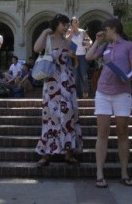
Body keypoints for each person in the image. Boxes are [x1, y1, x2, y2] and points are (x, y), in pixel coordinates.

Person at [85, 17, 132, 188]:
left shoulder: (129, 45)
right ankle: (100, 174)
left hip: (122, 92)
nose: (104, 32)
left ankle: (124, 173)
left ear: (113, 29)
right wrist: (98, 40)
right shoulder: (105, 46)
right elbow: (89, 56)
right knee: (103, 132)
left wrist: (128, 76)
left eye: (105, 30)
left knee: (122, 131)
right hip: (103, 92)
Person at [34, 13, 83, 167]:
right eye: (64, 24)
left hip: (66, 82)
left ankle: (69, 153)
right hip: (52, 83)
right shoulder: (48, 39)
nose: (66, 27)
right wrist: (44, 32)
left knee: (68, 116)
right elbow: (36, 49)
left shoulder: (67, 41)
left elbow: (75, 64)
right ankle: (47, 153)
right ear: (56, 24)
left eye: (67, 24)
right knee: (50, 117)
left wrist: (73, 57)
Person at [67, 16, 92, 98]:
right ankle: (78, 94)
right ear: (71, 23)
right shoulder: (69, 32)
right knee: (75, 76)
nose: (75, 23)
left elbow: (89, 42)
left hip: (82, 55)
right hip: (73, 56)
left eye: (76, 22)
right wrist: (71, 33)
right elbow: (65, 41)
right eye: (74, 22)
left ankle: (85, 91)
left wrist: (85, 37)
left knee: (84, 75)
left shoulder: (82, 31)